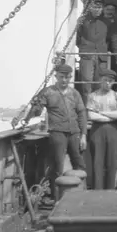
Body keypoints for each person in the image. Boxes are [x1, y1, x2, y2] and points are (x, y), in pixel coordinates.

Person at [24, 63, 87, 201]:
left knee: (79, 164)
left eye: (67, 77)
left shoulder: (74, 93)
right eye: (61, 77)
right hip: (57, 133)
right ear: (56, 76)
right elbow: (37, 111)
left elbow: (82, 114)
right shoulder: (48, 92)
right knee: (57, 166)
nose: (64, 80)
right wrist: (31, 111)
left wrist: (83, 135)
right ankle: (57, 198)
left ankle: (81, 196)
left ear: (70, 77)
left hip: (75, 133)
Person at [87, 68, 117, 190]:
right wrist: (111, 117)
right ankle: (97, 189)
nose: (108, 83)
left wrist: (102, 113)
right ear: (100, 80)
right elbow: (91, 115)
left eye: (110, 81)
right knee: (97, 161)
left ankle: (110, 190)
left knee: (112, 161)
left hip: (113, 130)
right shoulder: (93, 96)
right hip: (97, 130)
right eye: (105, 80)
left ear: (113, 82)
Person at [76, 0, 109, 102]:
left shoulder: (106, 22)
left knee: (100, 83)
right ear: (90, 7)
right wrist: (85, 47)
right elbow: (77, 38)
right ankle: (87, 107)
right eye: (95, 7)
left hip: (101, 56)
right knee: (87, 83)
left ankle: (98, 107)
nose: (97, 10)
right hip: (87, 55)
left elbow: (109, 38)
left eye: (99, 7)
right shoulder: (83, 20)